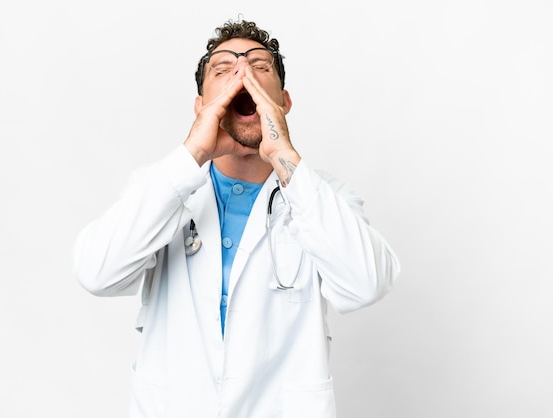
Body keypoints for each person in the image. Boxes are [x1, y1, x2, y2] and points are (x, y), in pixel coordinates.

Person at [74, 18, 400, 418]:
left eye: (260, 68)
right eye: (223, 70)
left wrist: (285, 157)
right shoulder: (161, 188)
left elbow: (367, 283)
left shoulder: (321, 197)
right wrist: (192, 153)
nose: (242, 76)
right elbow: (97, 272)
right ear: (200, 106)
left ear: (283, 102)